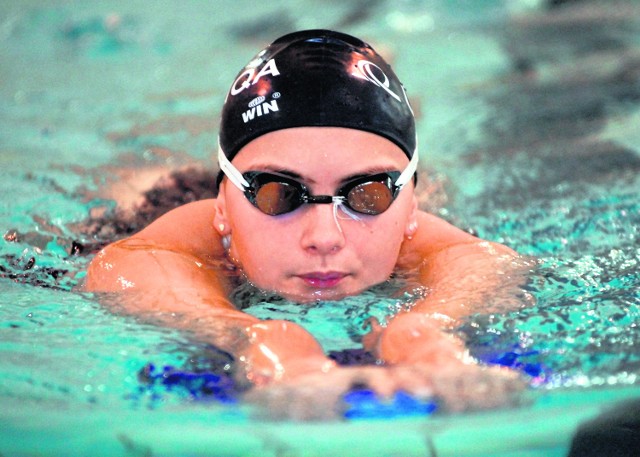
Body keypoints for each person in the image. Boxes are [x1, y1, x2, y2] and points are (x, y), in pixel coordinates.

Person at [85, 30, 529, 416]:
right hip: (165, 194)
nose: (324, 238)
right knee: (133, 182)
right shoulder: (192, 236)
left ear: (411, 207)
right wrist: (262, 338)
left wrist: (422, 332)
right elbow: (120, 266)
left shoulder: (409, 232)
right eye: (278, 194)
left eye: (367, 194)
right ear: (223, 206)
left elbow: (487, 262)